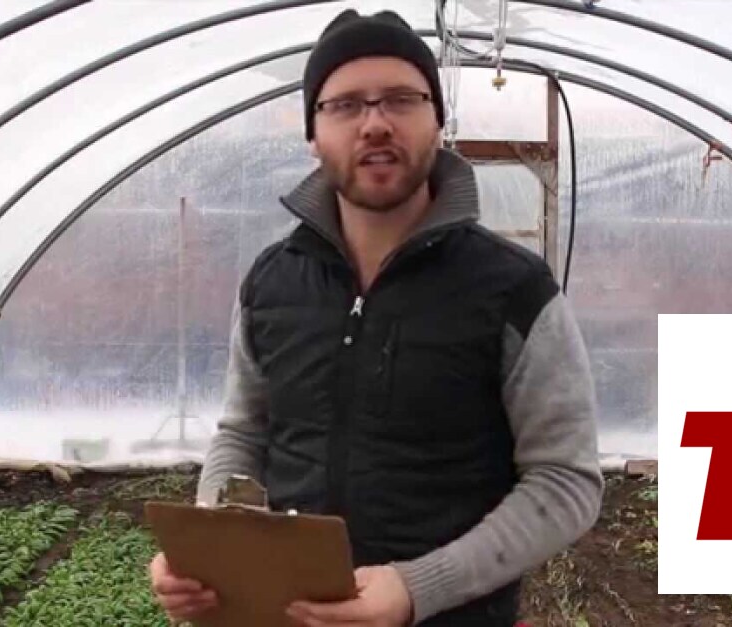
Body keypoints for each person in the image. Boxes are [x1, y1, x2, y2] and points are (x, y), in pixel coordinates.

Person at [149, 8, 603, 627]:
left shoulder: (514, 290)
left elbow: (565, 481)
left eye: (401, 99)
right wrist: (210, 546)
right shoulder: (272, 282)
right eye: (345, 105)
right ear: (313, 133)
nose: (375, 123)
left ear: (438, 120)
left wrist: (415, 589)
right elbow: (244, 433)